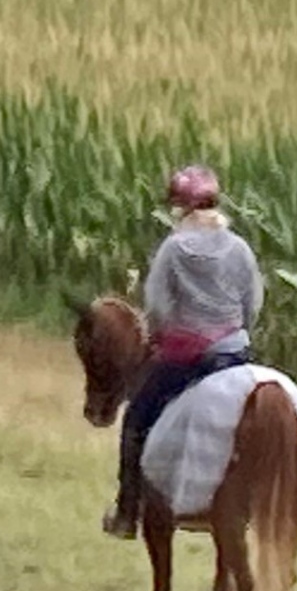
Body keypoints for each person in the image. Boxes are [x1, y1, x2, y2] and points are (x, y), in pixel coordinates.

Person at [103, 163, 263, 539]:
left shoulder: (173, 248)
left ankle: (128, 513)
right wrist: (238, 335)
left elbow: (157, 306)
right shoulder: (239, 248)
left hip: (188, 360)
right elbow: (253, 301)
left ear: (182, 206)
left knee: (136, 421)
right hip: (235, 354)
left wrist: (164, 334)